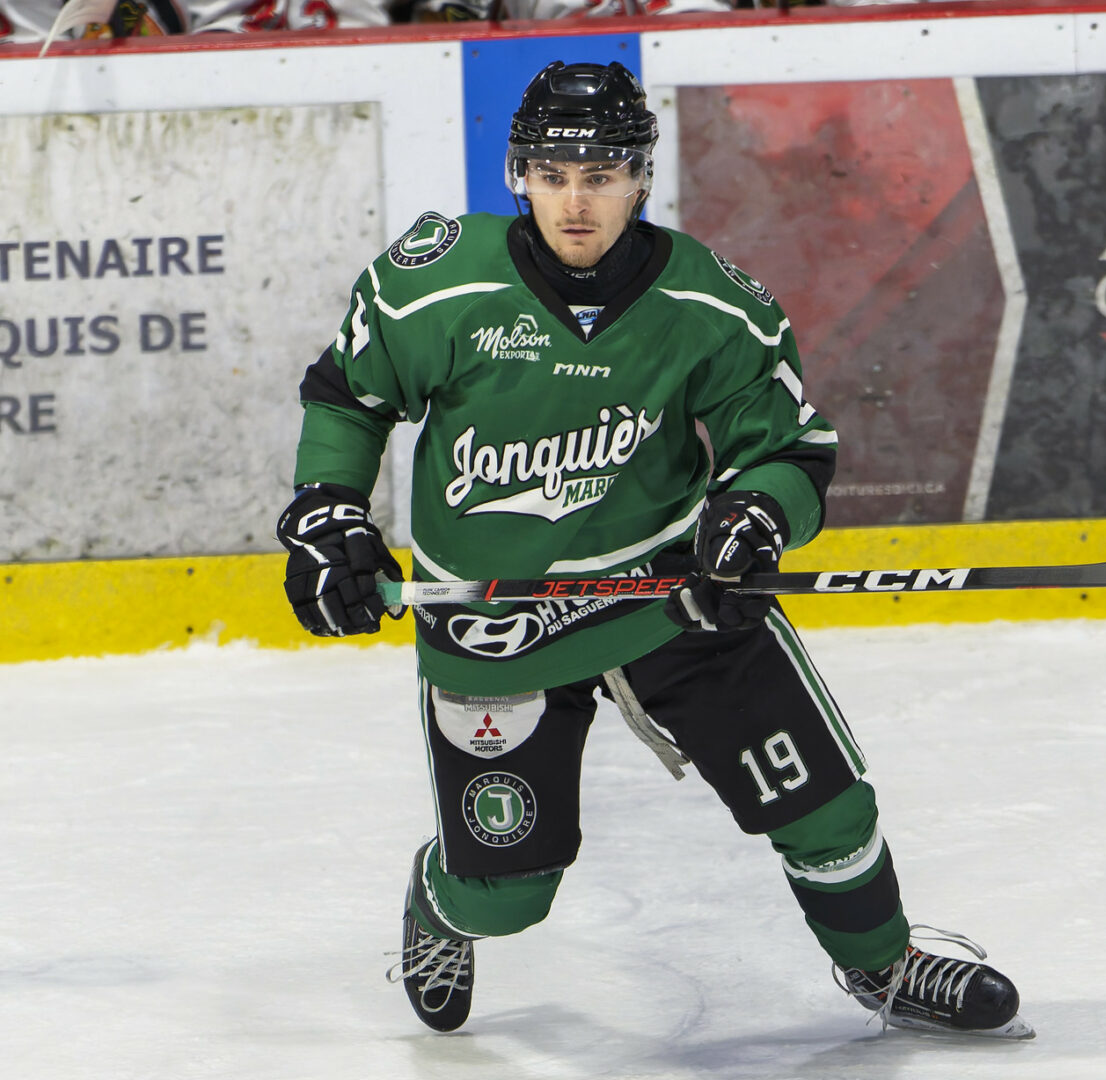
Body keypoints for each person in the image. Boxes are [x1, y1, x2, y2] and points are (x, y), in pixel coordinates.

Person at [276, 59, 1033, 1041]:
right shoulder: (439, 286)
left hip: (670, 594)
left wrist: (754, 515)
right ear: (517, 176)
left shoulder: (710, 304)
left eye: (601, 176)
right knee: (506, 893)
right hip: (496, 622)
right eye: (553, 175)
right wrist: (330, 512)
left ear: (640, 177)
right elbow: (350, 396)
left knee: (824, 804)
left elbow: (791, 452)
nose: (576, 201)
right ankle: (437, 901)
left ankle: (883, 966)